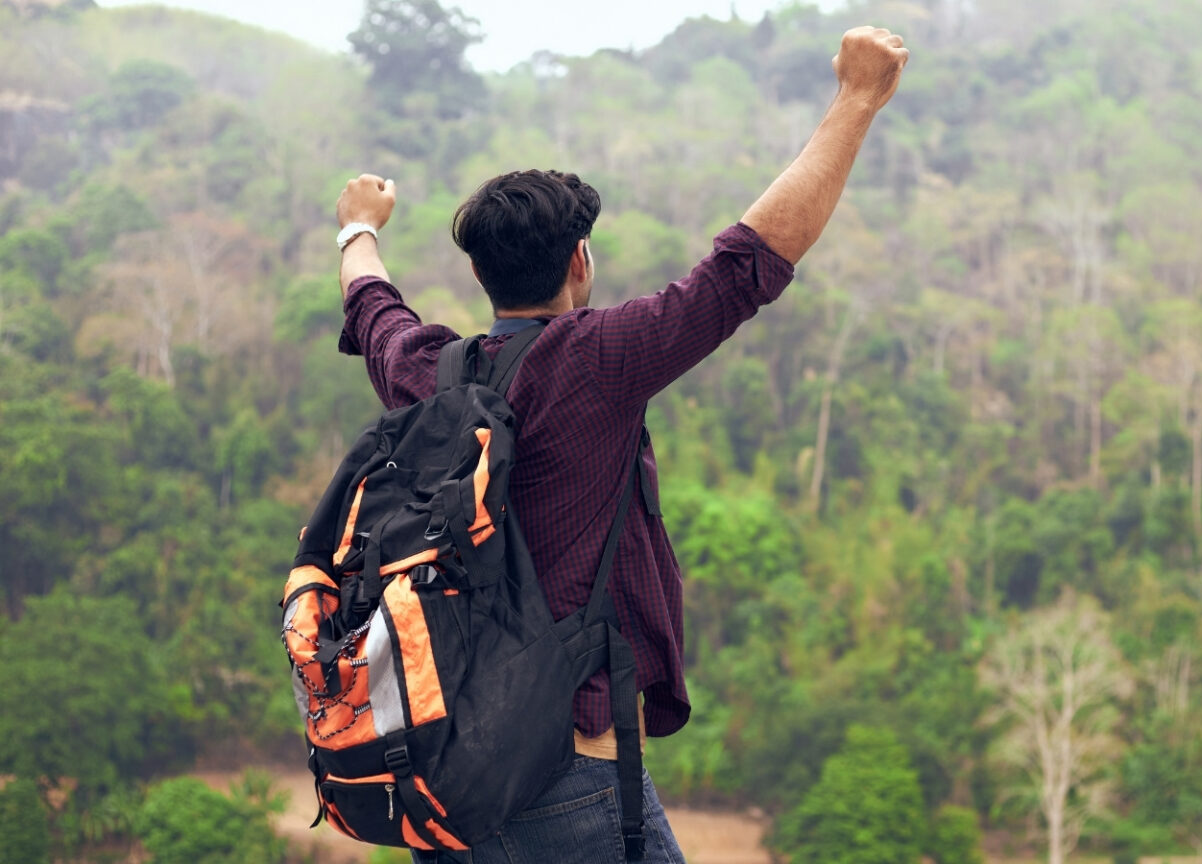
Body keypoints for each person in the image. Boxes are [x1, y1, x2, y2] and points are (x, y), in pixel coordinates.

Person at [329, 25, 908, 864]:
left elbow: (371, 307)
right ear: (579, 262)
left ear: (483, 276)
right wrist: (857, 101)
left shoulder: (429, 372)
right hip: (572, 772)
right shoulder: (599, 358)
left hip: (448, 781)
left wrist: (358, 227)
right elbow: (748, 264)